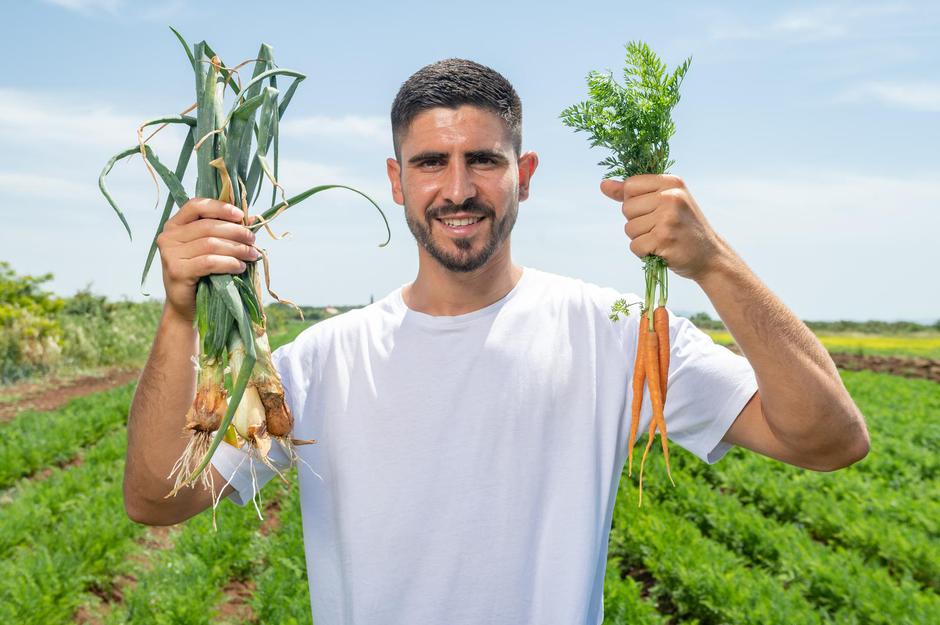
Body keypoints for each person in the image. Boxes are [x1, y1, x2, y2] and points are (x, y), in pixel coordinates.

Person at [123, 58, 870, 624]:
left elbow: (828, 438)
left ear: (525, 174)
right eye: (430, 162)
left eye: (484, 159)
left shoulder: (612, 333)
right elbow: (159, 499)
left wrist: (715, 263)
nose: (457, 188)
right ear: (395, 179)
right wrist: (181, 311)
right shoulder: (319, 362)